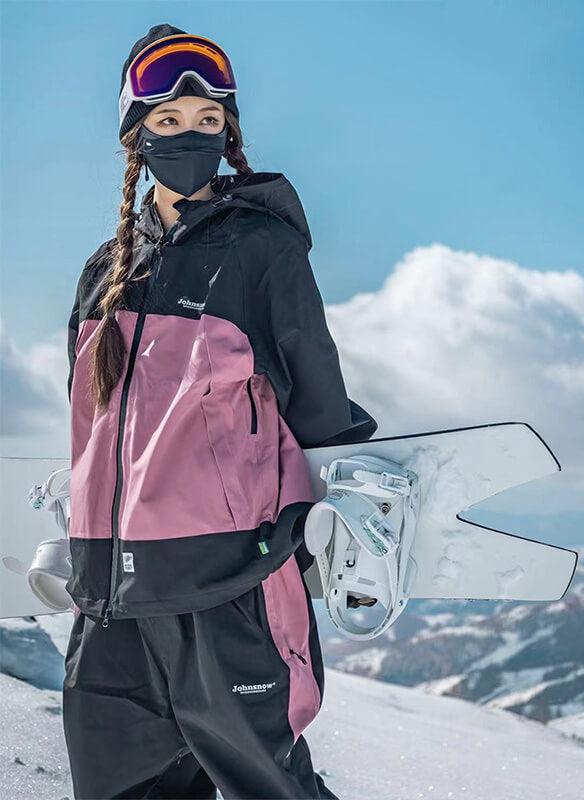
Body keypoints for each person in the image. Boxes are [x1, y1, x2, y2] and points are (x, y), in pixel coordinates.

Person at [62, 23, 378, 800]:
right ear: (136, 137)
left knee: (271, 788)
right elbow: (92, 430)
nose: (191, 134)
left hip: (227, 581)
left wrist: (347, 523)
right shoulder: (104, 271)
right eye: (169, 120)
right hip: (111, 599)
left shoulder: (261, 249)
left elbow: (317, 399)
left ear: (228, 132)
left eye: (209, 120)